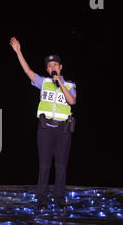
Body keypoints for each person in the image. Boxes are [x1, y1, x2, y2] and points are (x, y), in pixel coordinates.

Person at [9, 37, 77, 209]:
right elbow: (27, 71)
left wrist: (60, 83)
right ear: (47, 69)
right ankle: (42, 199)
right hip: (45, 129)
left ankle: (59, 199)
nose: (52, 67)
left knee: (61, 166)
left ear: (60, 67)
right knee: (44, 165)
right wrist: (18, 52)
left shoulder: (69, 84)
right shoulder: (43, 82)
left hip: (63, 130)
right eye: (49, 66)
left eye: (55, 65)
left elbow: (72, 101)